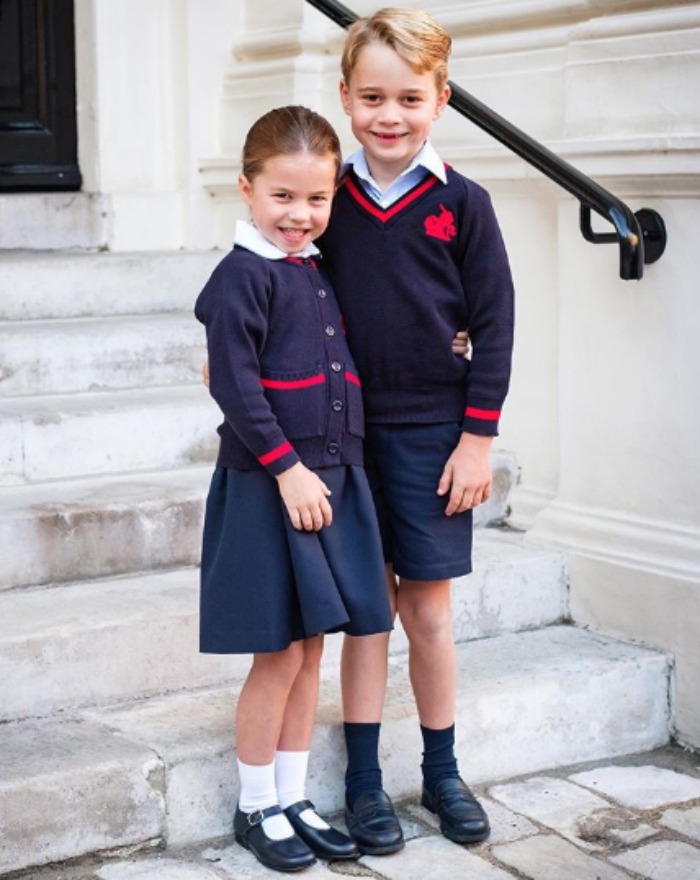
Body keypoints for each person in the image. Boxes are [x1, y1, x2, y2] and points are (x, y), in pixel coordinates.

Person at [316, 7, 515, 854]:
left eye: (408, 98)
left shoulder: (463, 203)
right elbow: (284, 284)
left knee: (426, 612)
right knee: (367, 615)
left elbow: (495, 323)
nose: (388, 116)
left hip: (434, 437)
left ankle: (441, 773)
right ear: (345, 97)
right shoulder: (328, 198)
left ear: (441, 100)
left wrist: (478, 438)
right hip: (347, 439)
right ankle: (364, 787)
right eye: (371, 97)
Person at [194, 105, 394, 873]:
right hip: (271, 486)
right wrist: (288, 468)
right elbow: (238, 391)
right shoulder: (240, 278)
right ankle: (254, 808)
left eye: (316, 200)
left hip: (326, 483)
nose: (300, 215)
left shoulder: (308, 265)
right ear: (246, 189)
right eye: (282, 197)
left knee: (312, 650)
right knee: (276, 655)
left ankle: (292, 793)